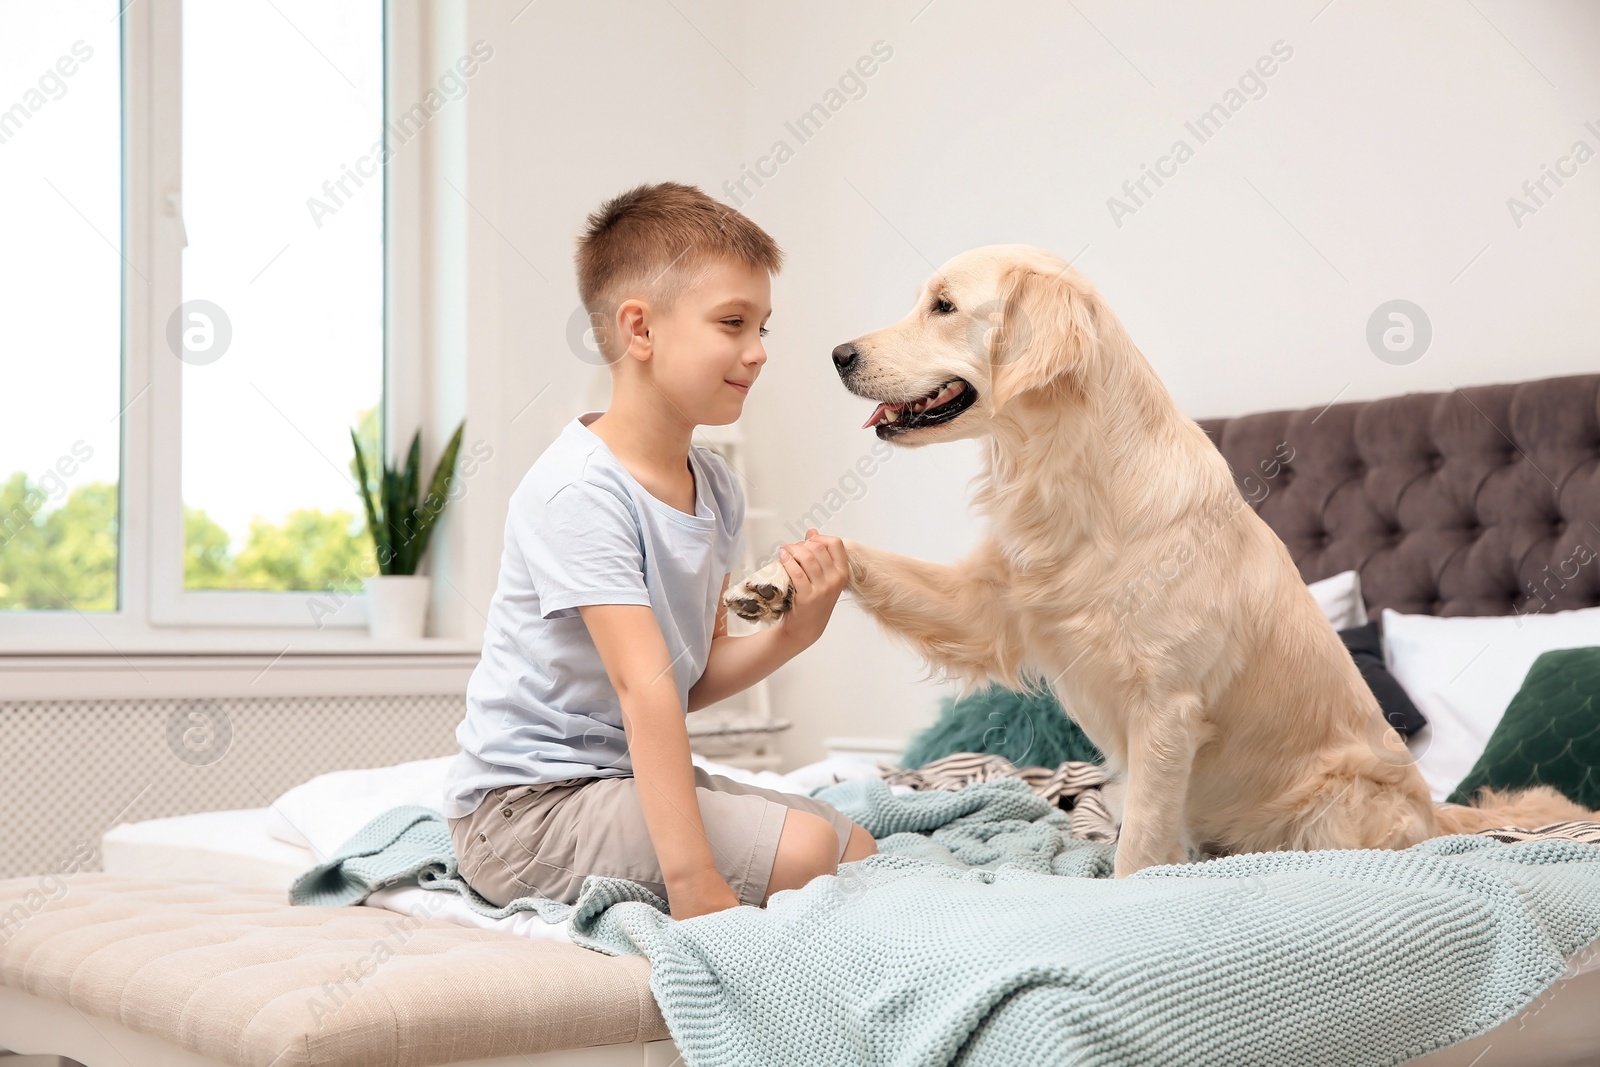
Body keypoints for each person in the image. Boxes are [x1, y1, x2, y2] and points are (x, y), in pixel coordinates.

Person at [444, 181, 877, 920]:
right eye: (733, 323)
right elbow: (645, 693)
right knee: (807, 854)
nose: (759, 351)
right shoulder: (579, 492)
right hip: (526, 814)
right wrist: (693, 884)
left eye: (764, 326)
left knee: (857, 845)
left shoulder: (715, 487)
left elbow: (685, 681)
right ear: (639, 330)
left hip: (619, 782)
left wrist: (794, 632)